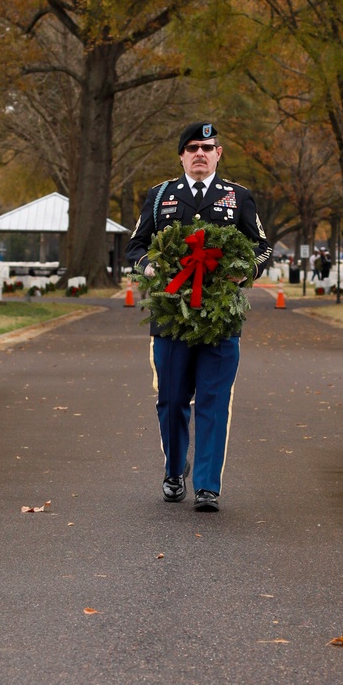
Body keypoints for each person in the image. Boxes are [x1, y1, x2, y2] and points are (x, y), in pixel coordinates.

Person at [126, 121, 271, 512]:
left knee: (213, 400)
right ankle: (175, 471)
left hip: (221, 320)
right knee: (172, 400)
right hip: (171, 318)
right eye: (192, 148)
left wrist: (244, 271)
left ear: (219, 153)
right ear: (181, 156)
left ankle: (208, 485)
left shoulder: (237, 198)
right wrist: (150, 267)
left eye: (207, 147)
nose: (200, 154)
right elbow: (135, 247)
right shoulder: (160, 197)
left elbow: (263, 250)